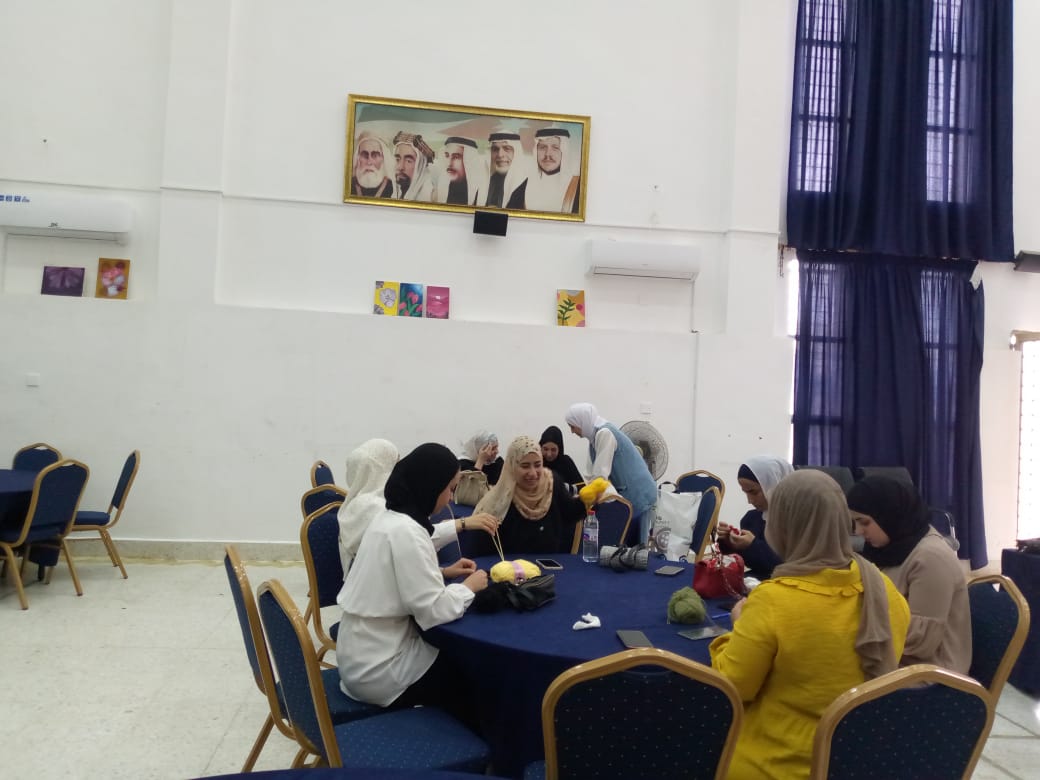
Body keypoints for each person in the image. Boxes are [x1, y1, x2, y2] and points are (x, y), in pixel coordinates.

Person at [710, 470, 910, 780]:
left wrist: (737, 627)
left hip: (775, 765)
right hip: (856, 761)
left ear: (783, 526)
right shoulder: (884, 591)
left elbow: (732, 689)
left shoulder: (774, 600)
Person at [336, 443, 490, 718]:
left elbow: (393, 577)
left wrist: (441, 572)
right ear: (430, 487)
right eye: (450, 489)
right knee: (476, 670)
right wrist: (468, 588)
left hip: (357, 657)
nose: (450, 499)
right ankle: (456, 740)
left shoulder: (388, 518)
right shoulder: (406, 531)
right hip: (380, 671)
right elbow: (434, 611)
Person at [847, 475, 971, 673]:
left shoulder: (931, 559)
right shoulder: (890, 548)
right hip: (895, 659)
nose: (859, 531)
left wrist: (851, 627)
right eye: (855, 523)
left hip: (930, 673)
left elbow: (921, 643)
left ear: (888, 515)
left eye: (865, 522)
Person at [469, 436, 585, 556]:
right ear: (512, 466)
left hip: (549, 563)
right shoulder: (500, 498)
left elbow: (568, 514)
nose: (533, 473)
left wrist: (587, 500)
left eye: (538, 465)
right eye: (525, 466)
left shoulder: (551, 483)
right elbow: (483, 549)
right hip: (510, 566)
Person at [564, 403, 657, 542]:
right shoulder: (593, 438)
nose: (572, 431)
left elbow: (600, 477)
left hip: (639, 494)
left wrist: (586, 497)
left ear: (582, 421)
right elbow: (590, 475)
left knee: (637, 545)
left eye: (573, 426)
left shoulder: (605, 434)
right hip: (628, 494)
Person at [716, 455, 793, 579]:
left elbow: (788, 566)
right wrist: (730, 544)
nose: (750, 500)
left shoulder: (798, 520)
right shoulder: (751, 519)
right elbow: (753, 563)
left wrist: (752, 545)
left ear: (774, 485)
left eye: (754, 492)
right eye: (745, 492)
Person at [336, 438, 398, 574]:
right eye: (395, 464)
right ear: (381, 469)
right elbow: (408, 545)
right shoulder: (374, 507)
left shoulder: (359, 501)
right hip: (376, 581)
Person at [506, 128, 580, 213]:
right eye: (542, 147)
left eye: (555, 148)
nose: (548, 154)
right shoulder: (521, 190)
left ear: (564, 151)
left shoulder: (578, 187)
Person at [433, 136, 485, 206]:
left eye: (456, 157)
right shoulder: (437, 191)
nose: (449, 163)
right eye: (447, 155)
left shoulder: (481, 195)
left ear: (469, 161)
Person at [482, 132, 527, 208]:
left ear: (516, 153)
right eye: (495, 149)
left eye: (507, 149)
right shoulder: (487, 182)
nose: (500, 155)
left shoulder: (526, 185)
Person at [391, 131, 435, 201]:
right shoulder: (394, 192)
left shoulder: (431, 196)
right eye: (397, 159)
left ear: (420, 166)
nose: (400, 167)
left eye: (408, 161)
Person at [349, 131, 394, 198]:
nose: (369, 162)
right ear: (358, 158)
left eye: (375, 155)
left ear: (383, 158)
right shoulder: (350, 184)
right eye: (364, 155)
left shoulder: (391, 187)